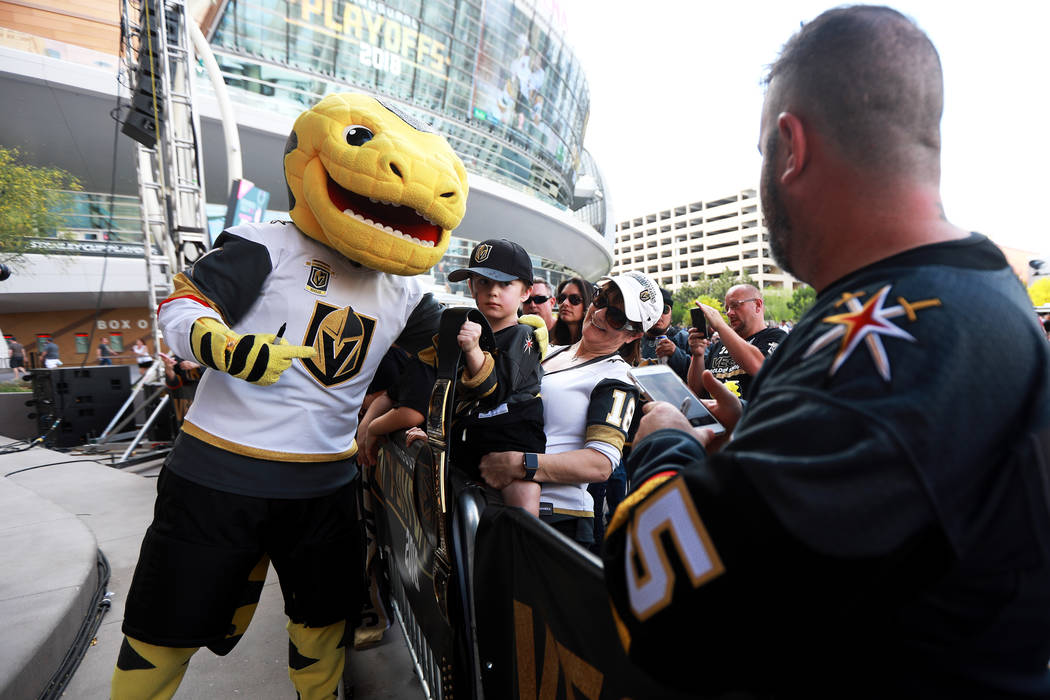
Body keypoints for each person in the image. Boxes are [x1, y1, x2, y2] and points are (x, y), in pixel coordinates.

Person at [602, 7, 1050, 697]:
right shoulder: (974, 286)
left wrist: (663, 442)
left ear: (792, 146)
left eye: (761, 154)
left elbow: (660, 598)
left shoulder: (889, 349)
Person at [111, 92, 469, 699]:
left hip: (322, 487)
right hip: (217, 475)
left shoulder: (407, 295)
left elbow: (449, 357)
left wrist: (491, 350)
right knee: (166, 622)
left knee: (323, 621)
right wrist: (222, 346)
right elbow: (180, 307)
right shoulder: (263, 244)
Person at [478, 271, 661, 545]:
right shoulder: (551, 350)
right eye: (600, 300)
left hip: (553, 519)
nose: (599, 314)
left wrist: (520, 464)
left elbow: (600, 464)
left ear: (633, 336)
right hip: (494, 501)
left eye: (616, 317)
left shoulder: (616, 378)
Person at [440, 238, 548, 516]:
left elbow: (493, 391)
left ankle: (522, 552)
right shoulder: (470, 330)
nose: (493, 292)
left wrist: (474, 350)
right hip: (470, 437)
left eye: (504, 284)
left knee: (521, 506)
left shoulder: (524, 335)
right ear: (471, 286)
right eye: (484, 282)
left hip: (511, 437)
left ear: (526, 292)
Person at [687, 284, 786, 400]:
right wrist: (698, 355)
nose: (729, 313)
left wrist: (721, 326)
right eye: (727, 308)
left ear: (757, 305)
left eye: (735, 305)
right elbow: (695, 393)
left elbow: (759, 367)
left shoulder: (777, 337)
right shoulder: (719, 346)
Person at [637, 287, 690, 380]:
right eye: (653, 309)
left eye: (664, 309)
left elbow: (703, 371)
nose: (658, 315)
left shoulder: (685, 339)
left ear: (671, 314)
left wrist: (675, 353)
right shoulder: (632, 339)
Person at [551, 276, 592, 346]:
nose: (565, 303)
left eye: (574, 299)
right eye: (562, 298)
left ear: (588, 304)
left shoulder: (596, 345)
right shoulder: (554, 345)